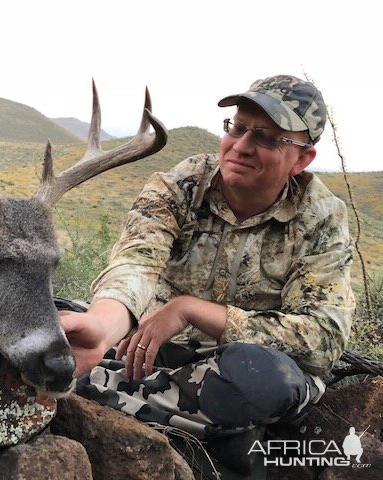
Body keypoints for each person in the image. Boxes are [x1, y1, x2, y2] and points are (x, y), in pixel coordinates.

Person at [60, 74, 355, 475]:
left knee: (264, 380)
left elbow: (323, 337)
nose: (242, 146)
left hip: (241, 364)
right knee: (50, 316)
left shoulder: (322, 218)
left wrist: (192, 310)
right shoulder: (181, 184)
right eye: (237, 128)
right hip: (151, 344)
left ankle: (85, 389)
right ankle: (197, 418)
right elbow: (136, 262)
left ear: (302, 159)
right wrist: (100, 326)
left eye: (267, 138)